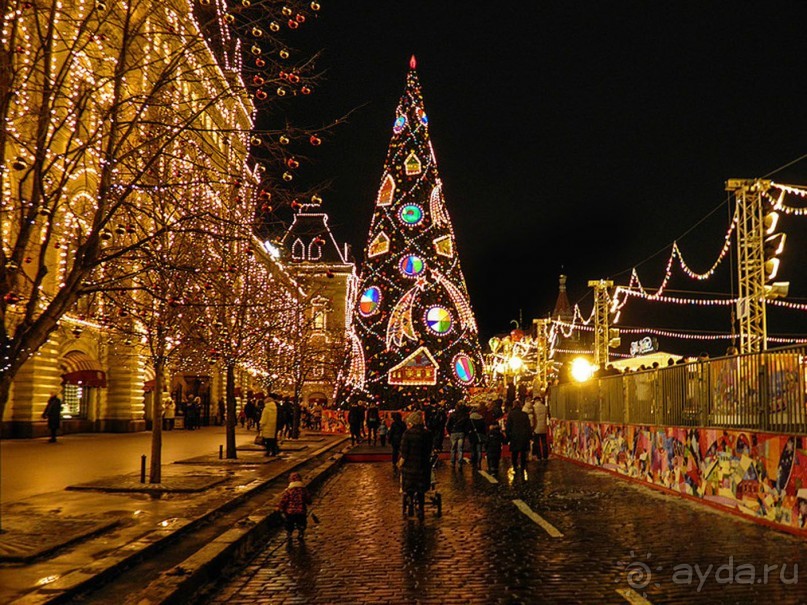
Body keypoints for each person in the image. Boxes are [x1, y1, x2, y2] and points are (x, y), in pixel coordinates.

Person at [398, 411, 433, 519]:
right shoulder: (427, 434)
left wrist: (400, 464)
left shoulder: (407, 434)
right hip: (423, 466)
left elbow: (404, 452)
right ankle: (421, 509)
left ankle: (410, 506)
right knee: (421, 489)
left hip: (409, 466)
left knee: (410, 488)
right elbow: (429, 450)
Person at [276, 472, 312, 542]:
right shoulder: (303, 490)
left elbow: (284, 500)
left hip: (290, 512)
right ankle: (301, 532)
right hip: (301, 511)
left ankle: (289, 534)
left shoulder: (289, 491)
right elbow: (308, 499)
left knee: (289, 523)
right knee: (301, 522)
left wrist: (279, 507)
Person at [505, 399, 532, 475]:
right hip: (523, 435)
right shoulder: (524, 414)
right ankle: (523, 466)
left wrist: (508, 435)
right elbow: (528, 426)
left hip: (515, 435)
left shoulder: (511, 414)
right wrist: (529, 435)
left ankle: (515, 465)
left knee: (515, 452)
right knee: (523, 452)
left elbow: (508, 426)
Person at [446, 402, 471, 468]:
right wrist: (465, 433)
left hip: (454, 432)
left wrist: (450, 432)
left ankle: (452, 462)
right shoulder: (464, 415)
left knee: (453, 448)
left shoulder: (452, 415)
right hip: (461, 432)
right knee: (460, 448)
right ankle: (460, 462)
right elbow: (467, 426)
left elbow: (448, 424)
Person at [468, 405, 487, 470]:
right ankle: (479, 461)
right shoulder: (481, 418)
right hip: (480, 435)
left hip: (473, 435)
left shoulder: (470, 419)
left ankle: (474, 461)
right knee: (479, 450)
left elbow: (468, 428)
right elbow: (484, 428)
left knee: (473, 449)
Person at [531, 395, 550, 462]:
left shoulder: (534, 407)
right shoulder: (544, 407)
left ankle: (539, 456)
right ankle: (545, 456)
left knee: (537, 443)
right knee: (544, 442)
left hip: (536, 427)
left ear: (535, 400)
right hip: (543, 427)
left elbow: (533, 418)